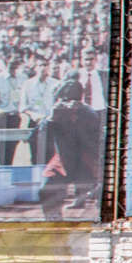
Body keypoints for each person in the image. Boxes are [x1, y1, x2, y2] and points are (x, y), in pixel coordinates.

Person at [38, 79, 103, 221]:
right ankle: (54, 220)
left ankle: (102, 222)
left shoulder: (88, 113)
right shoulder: (57, 112)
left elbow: (93, 140)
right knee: (46, 189)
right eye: (63, 100)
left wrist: (78, 116)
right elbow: (40, 136)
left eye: (70, 100)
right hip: (64, 158)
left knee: (101, 191)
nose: (66, 104)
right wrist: (51, 119)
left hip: (85, 160)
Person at [0, 60, 22, 166]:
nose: (13, 67)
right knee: (2, 147)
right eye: (11, 64)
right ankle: (2, 170)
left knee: (13, 145)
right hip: (2, 116)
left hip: (15, 115)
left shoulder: (23, 78)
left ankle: (9, 169)